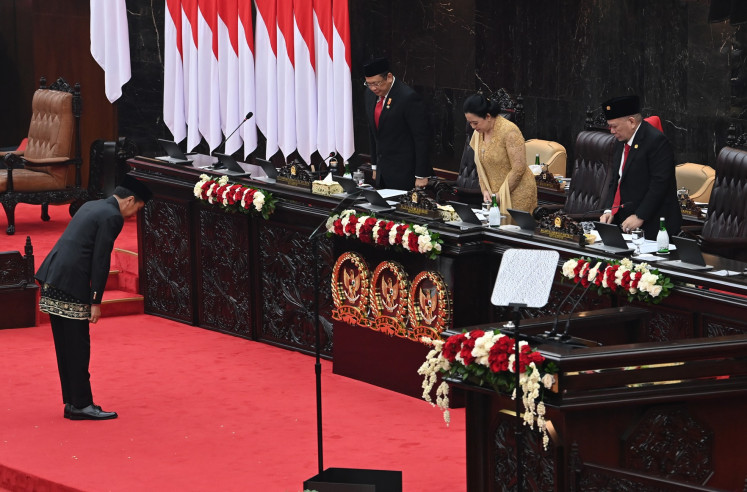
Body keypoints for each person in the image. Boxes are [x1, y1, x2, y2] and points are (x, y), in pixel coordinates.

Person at [36, 174, 152, 420]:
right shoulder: (112, 217)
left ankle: (72, 401)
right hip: (71, 283)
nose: (133, 215)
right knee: (78, 346)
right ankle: (82, 405)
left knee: (65, 347)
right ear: (130, 200)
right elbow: (101, 261)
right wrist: (95, 301)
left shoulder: (92, 205)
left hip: (53, 277)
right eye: (137, 209)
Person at [598, 95, 681, 239]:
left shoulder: (656, 141)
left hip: (654, 226)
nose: (611, 131)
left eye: (614, 126)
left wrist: (640, 216)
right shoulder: (620, 140)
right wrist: (609, 210)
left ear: (631, 122)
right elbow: (616, 180)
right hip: (626, 223)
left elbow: (659, 184)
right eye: (610, 126)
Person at [462, 93, 537, 219]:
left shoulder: (509, 131)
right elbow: (480, 165)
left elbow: (519, 168)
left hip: (517, 195)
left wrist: (500, 195)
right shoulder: (478, 133)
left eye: (475, 123)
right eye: (470, 123)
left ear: (488, 116)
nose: (473, 127)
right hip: (493, 196)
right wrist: (485, 190)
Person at [363, 57, 432, 190]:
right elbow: (373, 132)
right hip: (382, 172)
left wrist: (421, 175)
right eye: (368, 84)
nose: (373, 88)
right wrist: (375, 166)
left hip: (405, 173)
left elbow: (421, 138)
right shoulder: (370, 94)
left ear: (389, 77)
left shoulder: (407, 97)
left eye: (376, 83)